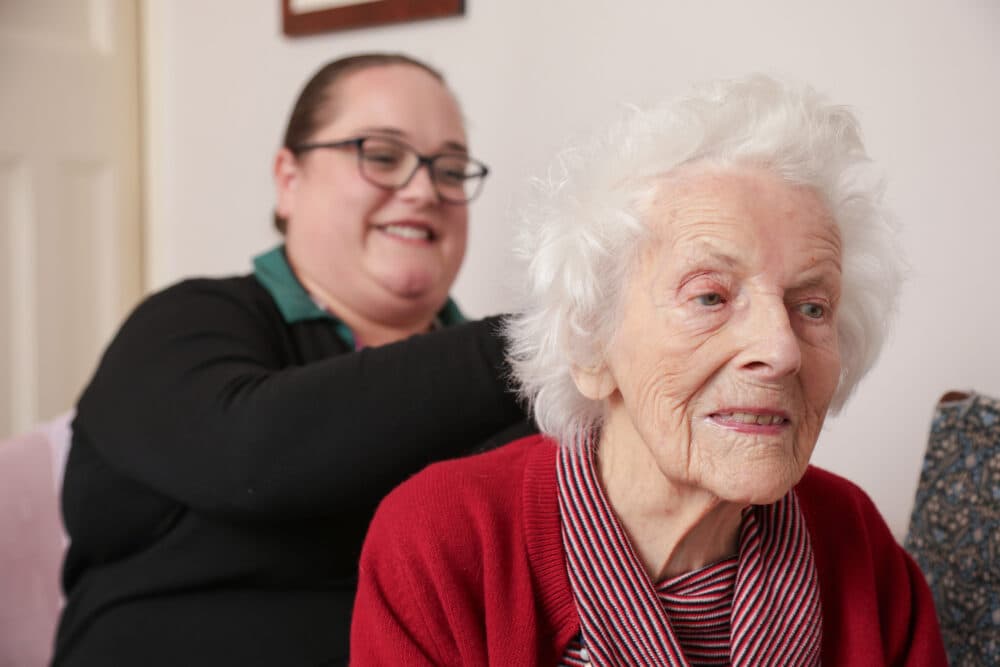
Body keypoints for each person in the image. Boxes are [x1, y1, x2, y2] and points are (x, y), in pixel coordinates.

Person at [351, 75, 948, 665]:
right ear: (590, 346)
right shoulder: (442, 542)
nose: (782, 349)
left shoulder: (858, 542)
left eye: (812, 307)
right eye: (710, 297)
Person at [53, 53, 528, 666]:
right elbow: (250, 454)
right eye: (383, 156)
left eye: (451, 169)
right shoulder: (188, 321)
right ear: (289, 179)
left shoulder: (517, 391)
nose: (423, 190)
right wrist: (540, 341)